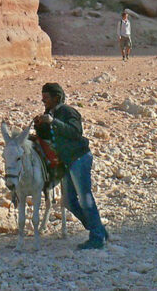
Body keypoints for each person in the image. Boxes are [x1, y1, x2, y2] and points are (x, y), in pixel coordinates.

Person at [34, 82, 109, 250]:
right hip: (66, 161)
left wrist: (53, 122)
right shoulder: (49, 113)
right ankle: (99, 230)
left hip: (79, 158)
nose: (42, 100)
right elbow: (48, 136)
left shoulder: (68, 112)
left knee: (85, 198)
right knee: (68, 201)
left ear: (56, 98)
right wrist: (39, 125)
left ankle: (97, 237)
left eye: (46, 97)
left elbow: (75, 132)